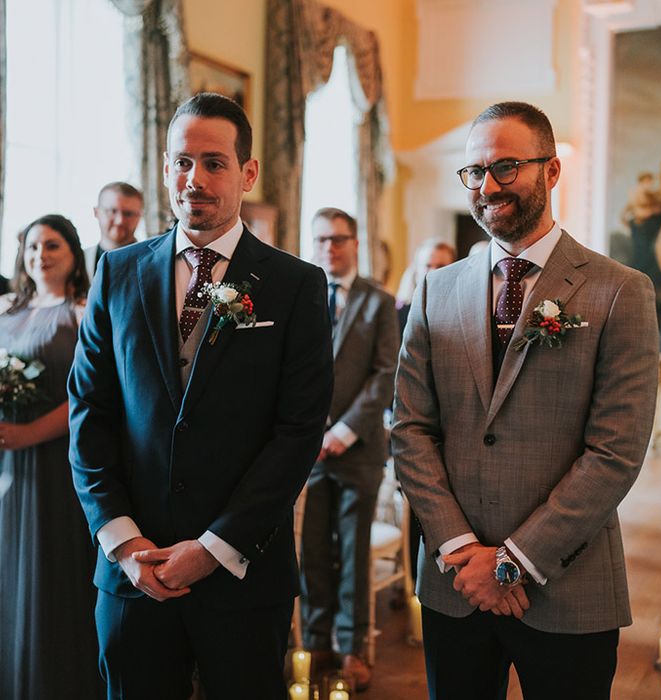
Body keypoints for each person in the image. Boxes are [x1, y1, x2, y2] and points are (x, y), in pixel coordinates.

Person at [68, 93, 334, 700]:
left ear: (248, 172)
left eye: (214, 163)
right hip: (134, 572)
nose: (196, 180)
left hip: (243, 572)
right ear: (165, 169)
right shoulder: (118, 272)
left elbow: (297, 432)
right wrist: (123, 541)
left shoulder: (295, 285)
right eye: (183, 163)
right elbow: (91, 415)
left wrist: (215, 548)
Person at [391, 101, 659, 700]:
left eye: (506, 167)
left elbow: (615, 452)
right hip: (454, 587)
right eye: (475, 172)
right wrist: (463, 551)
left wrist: (511, 561)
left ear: (553, 171)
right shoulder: (436, 290)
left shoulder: (619, 291)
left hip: (568, 588)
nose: (487, 186)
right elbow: (410, 429)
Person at [0, 215, 100, 699]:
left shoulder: (82, 312)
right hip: (7, 464)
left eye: (53, 245)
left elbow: (91, 396)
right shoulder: (5, 311)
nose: (41, 254)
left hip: (56, 461)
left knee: (50, 576)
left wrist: (29, 434)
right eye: (33, 246)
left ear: (74, 253)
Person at [300, 207, 399, 691]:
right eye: (320, 240)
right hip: (307, 451)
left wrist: (340, 432)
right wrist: (311, 431)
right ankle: (315, 642)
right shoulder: (301, 297)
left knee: (354, 552)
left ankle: (352, 645)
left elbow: (385, 375)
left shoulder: (379, 302)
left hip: (358, 450)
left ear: (355, 243)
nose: (329, 248)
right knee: (313, 551)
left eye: (338, 239)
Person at [395, 238, 456, 334]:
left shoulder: (462, 311)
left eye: (441, 266)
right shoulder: (398, 313)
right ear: (417, 270)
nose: (433, 272)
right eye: (428, 266)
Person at [85, 181, 144, 280]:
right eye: (112, 211)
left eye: (128, 214)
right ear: (96, 212)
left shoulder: (153, 261)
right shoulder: (76, 261)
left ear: (140, 216)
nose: (119, 221)